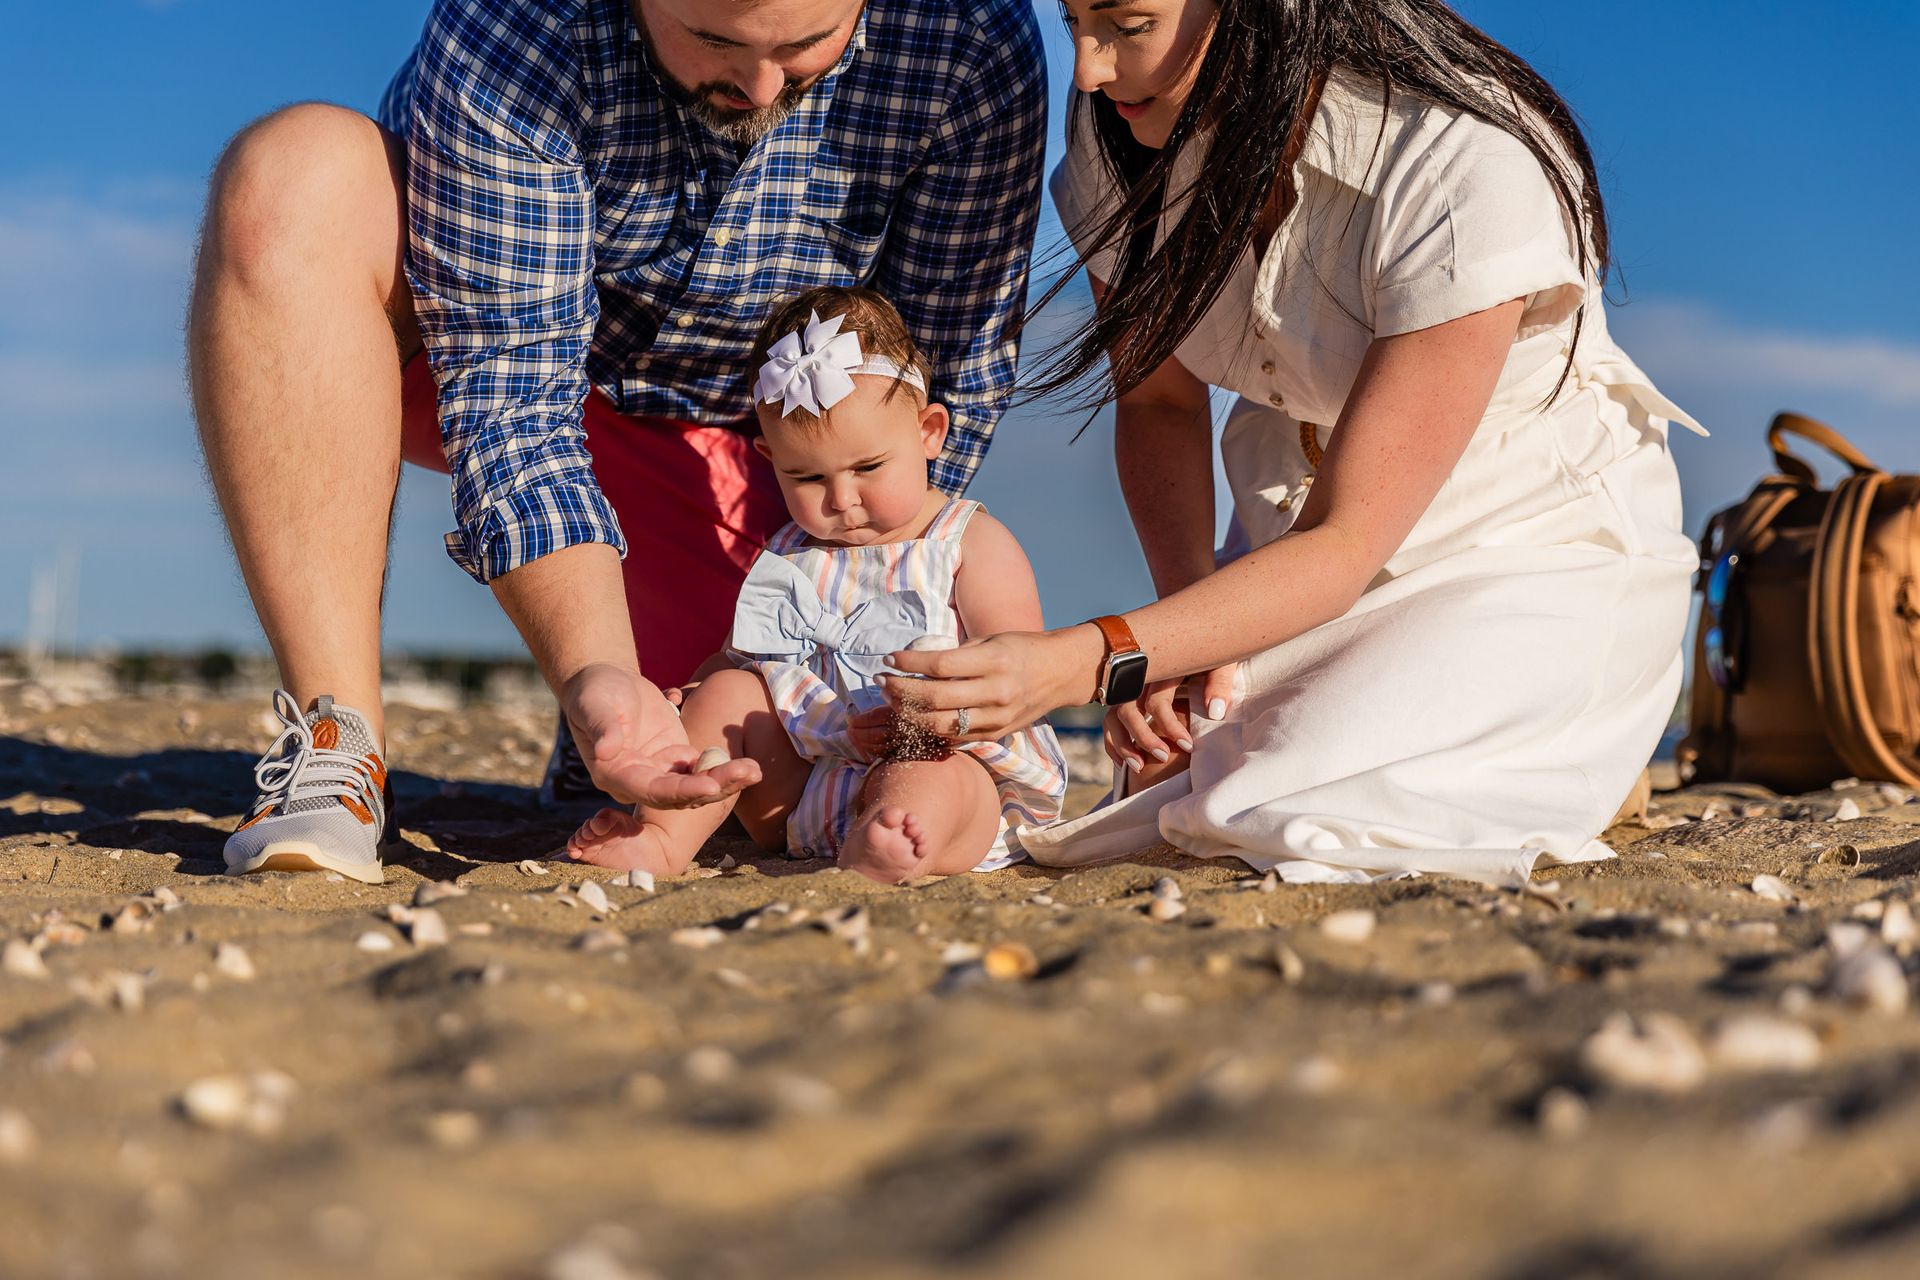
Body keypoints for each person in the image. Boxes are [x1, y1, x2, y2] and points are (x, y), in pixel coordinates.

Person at [190, 0, 1046, 884]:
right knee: (295, 176)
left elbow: (935, 379)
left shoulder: (968, 33)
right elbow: (511, 394)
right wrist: (591, 663)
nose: (759, 88)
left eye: (802, 48)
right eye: (715, 41)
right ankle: (340, 744)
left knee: (733, 717)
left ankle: (630, 701)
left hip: (768, 464)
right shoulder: (522, 20)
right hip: (481, 370)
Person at [885, 0, 1706, 885]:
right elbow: (1160, 402)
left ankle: (1571, 734)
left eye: (1126, 24)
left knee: (1301, 806)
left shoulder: (1465, 161)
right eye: (1073, 18)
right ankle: (1533, 748)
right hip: (1293, 522)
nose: (1085, 70)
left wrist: (1096, 658)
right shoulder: (1121, 128)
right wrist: (1178, 639)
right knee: (1189, 767)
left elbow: (1347, 541)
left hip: (1524, 538)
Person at [566, 288, 1068, 883]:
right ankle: (660, 839)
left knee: (933, 775)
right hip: (804, 784)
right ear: (768, 458)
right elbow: (742, 651)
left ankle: (889, 841)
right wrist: (697, 692)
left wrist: (918, 719)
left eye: (868, 467)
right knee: (730, 693)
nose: (841, 499)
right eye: (805, 476)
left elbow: (1014, 670)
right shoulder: (787, 553)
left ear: (929, 431)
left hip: (941, 756)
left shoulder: (966, 541)